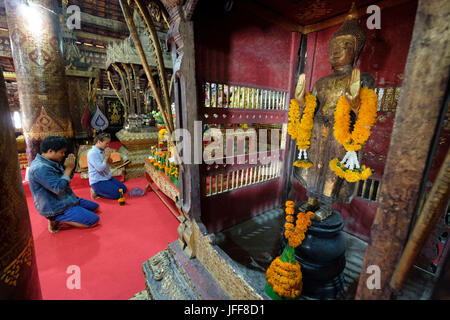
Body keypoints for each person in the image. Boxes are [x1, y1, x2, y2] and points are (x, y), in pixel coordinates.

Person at [28, 136, 100, 233]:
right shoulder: (40, 168)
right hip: (56, 207)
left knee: (95, 207)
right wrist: (68, 169)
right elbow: (58, 188)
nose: (63, 155)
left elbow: (65, 179)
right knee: (93, 221)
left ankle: (74, 211)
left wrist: (69, 168)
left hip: (67, 198)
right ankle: (55, 218)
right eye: (61, 152)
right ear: (50, 151)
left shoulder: (51, 161)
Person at [87, 132, 127, 199]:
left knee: (123, 189)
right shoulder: (92, 153)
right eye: (106, 143)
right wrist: (106, 158)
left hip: (107, 178)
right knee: (118, 194)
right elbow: (100, 168)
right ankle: (95, 190)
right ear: (99, 142)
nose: (108, 145)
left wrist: (108, 156)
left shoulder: (103, 150)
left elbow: (111, 163)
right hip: (98, 181)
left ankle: (102, 190)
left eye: (108, 143)